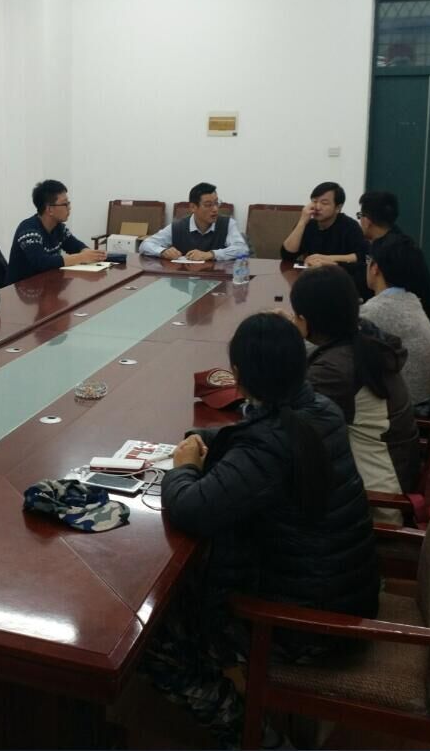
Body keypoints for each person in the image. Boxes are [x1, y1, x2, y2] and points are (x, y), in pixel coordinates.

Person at [143, 313, 378, 745]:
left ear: (238, 376)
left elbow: (191, 509)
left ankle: (254, 736)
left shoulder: (269, 446)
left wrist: (183, 469)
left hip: (304, 627)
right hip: (344, 593)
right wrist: (209, 439)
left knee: (153, 637)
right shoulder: (320, 410)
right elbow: (256, 438)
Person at [288, 266, 421, 510]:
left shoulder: (335, 370)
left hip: (377, 501)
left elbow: (282, 419)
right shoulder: (364, 337)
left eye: (296, 316)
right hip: (395, 472)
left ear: (306, 321)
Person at [361, 235, 430, 407]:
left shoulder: (377, 311)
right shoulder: (410, 299)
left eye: (368, 260)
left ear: (375, 268)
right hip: (422, 398)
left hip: (404, 408)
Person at [358, 190, 430, 326]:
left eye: (360, 216)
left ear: (367, 221)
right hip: (420, 321)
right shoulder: (399, 243)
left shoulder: (389, 250)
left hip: (403, 324)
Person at [7, 180, 105, 283]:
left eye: (68, 203)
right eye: (65, 204)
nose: (69, 208)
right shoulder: (28, 230)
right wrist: (81, 257)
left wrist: (89, 253)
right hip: (20, 289)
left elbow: (76, 246)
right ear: (49, 210)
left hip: (46, 284)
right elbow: (41, 262)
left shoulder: (59, 228)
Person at [281, 181, 368, 292]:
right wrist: (302, 221)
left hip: (340, 283)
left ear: (338, 207)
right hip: (312, 281)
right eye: (314, 201)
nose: (317, 207)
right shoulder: (309, 225)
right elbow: (287, 255)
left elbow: (361, 256)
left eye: (324, 203)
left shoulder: (350, 226)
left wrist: (327, 259)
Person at [139, 182, 250, 261]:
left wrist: (211, 254)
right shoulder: (178, 227)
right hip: (184, 282)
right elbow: (145, 245)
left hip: (218, 279)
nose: (215, 209)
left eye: (216, 203)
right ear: (193, 207)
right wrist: (162, 251)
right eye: (208, 205)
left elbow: (242, 249)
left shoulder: (227, 224)